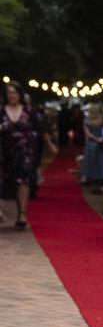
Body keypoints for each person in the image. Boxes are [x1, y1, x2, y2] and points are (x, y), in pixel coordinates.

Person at [0, 80, 57, 228]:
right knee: (12, 182)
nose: (12, 95)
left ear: (20, 94)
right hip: (7, 151)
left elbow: (41, 128)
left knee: (23, 179)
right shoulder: (1, 110)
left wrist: (50, 145)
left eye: (14, 92)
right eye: (9, 93)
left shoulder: (29, 110)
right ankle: (19, 208)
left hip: (26, 150)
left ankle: (23, 213)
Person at [82, 104, 103, 191]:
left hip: (91, 144)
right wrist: (101, 139)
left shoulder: (87, 120)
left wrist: (95, 139)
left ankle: (94, 185)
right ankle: (100, 185)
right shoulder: (102, 119)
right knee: (100, 164)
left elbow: (87, 134)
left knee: (92, 164)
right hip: (100, 144)